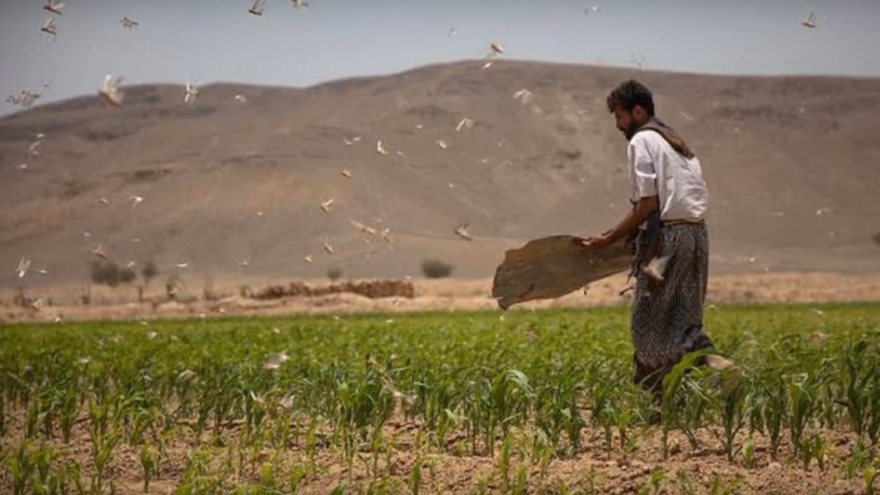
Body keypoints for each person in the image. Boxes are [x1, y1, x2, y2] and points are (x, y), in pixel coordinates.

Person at [578, 79, 735, 402]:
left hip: (667, 241)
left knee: (647, 322)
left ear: (638, 111)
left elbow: (648, 204)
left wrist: (609, 239)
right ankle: (710, 364)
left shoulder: (642, 140)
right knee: (682, 316)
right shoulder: (676, 142)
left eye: (620, 117)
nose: (618, 125)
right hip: (696, 236)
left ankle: (663, 403)